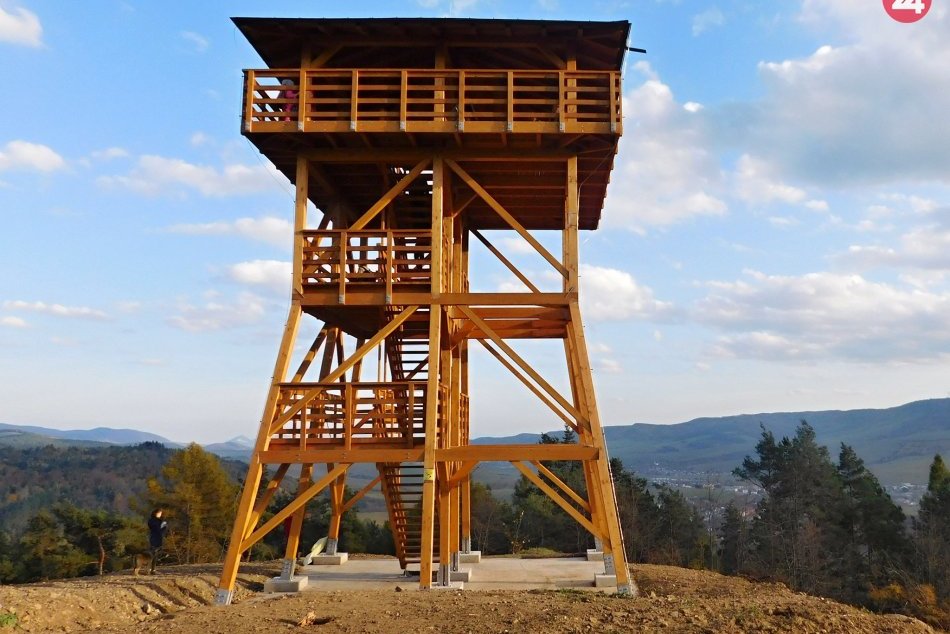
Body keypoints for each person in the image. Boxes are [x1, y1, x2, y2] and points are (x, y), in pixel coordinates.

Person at [147, 508, 168, 574]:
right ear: (156, 513)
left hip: (154, 537)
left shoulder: (152, 520)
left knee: (154, 554)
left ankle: (151, 569)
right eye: (160, 513)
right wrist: (164, 526)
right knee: (154, 554)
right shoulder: (156, 521)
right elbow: (159, 530)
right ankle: (152, 569)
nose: (160, 514)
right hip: (156, 538)